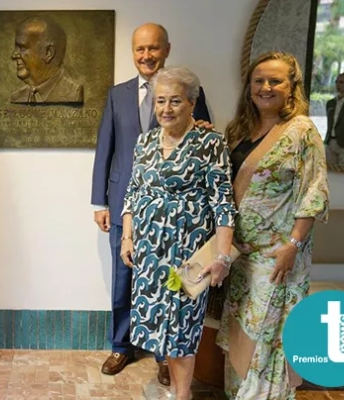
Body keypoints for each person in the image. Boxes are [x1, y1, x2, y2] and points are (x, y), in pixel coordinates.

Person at [89, 22, 211, 384]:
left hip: (173, 214)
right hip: (124, 204)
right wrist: (100, 202)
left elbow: (202, 139)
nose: (146, 56)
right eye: (140, 49)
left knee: (169, 281)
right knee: (124, 275)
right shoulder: (118, 94)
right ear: (133, 53)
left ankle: (164, 353)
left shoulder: (190, 91)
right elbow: (105, 148)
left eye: (153, 48)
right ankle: (121, 346)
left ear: (167, 49)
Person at [217, 51, 329, 399]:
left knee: (266, 340)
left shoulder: (302, 131)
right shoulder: (238, 130)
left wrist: (292, 246)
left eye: (275, 80)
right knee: (239, 334)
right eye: (259, 80)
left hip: (276, 258)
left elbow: (314, 191)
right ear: (249, 87)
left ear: (291, 87)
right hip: (239, 255)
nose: (266, 87)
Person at [120, 66, 236, 400]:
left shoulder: (209, 142)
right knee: (161, 326)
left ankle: (182, 394)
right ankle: (173, 389)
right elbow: (133, 191)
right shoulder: (144, 142)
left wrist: (222, 256)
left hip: (190, 253)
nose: (166, 109)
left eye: (175, 101)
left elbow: (223, 203)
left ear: (192, 103)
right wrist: (128, 236)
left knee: (182, 326)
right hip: (150, 253)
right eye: (160, 101)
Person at [9, 15, 83, 104]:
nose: (14, 55)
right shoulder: (17, 98)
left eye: (22, 48)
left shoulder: (73, 94)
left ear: (48, 53)